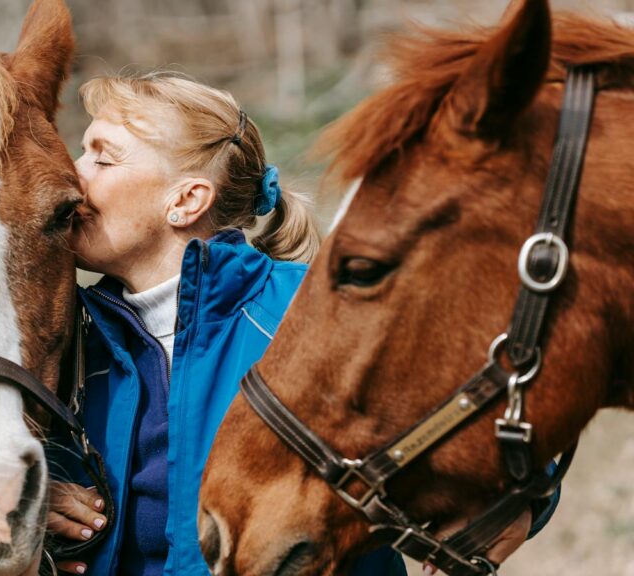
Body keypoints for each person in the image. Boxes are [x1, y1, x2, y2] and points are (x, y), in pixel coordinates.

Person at [47, 73, 558, 576]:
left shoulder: (310, 310)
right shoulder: (63, 333)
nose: (73, 174)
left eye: (102, 157)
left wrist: (520, 498)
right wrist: (29, 504)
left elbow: (499, 399)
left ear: (185, 201)